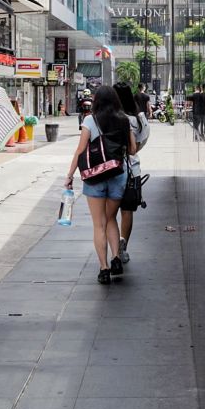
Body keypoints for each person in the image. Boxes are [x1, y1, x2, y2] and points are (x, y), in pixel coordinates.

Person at [66, 86, 137, 284]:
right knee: (111, 218)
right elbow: (132, 150)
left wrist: (70, 175)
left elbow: (80, 150)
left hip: (95, 176)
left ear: (97, 101)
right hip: (117, 175)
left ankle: (104, 268)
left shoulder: (90, 119)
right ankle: (116, 259)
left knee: (99, 224)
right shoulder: (124, 120)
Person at [113, 83, 151, 263]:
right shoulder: (136, 120)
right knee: (127, 210)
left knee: (109, 212)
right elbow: (141, 143)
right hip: (131, 169)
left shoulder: (105, 118)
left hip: (110, 169)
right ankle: (123, 245)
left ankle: (113, 249)